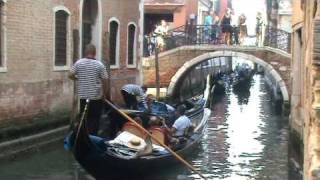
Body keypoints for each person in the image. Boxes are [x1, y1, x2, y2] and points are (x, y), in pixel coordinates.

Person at [69, 44, 109, 135]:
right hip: (96, 98)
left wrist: (78, 78)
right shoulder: (99, 65)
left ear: (85, 52)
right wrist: (104, 95)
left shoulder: (79, 63)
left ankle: (84, 136)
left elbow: (70, 75)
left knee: (84, 118)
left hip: (83, 97)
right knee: (94, 120)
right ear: (95, 53)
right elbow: (105, 80)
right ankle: (93, 137)